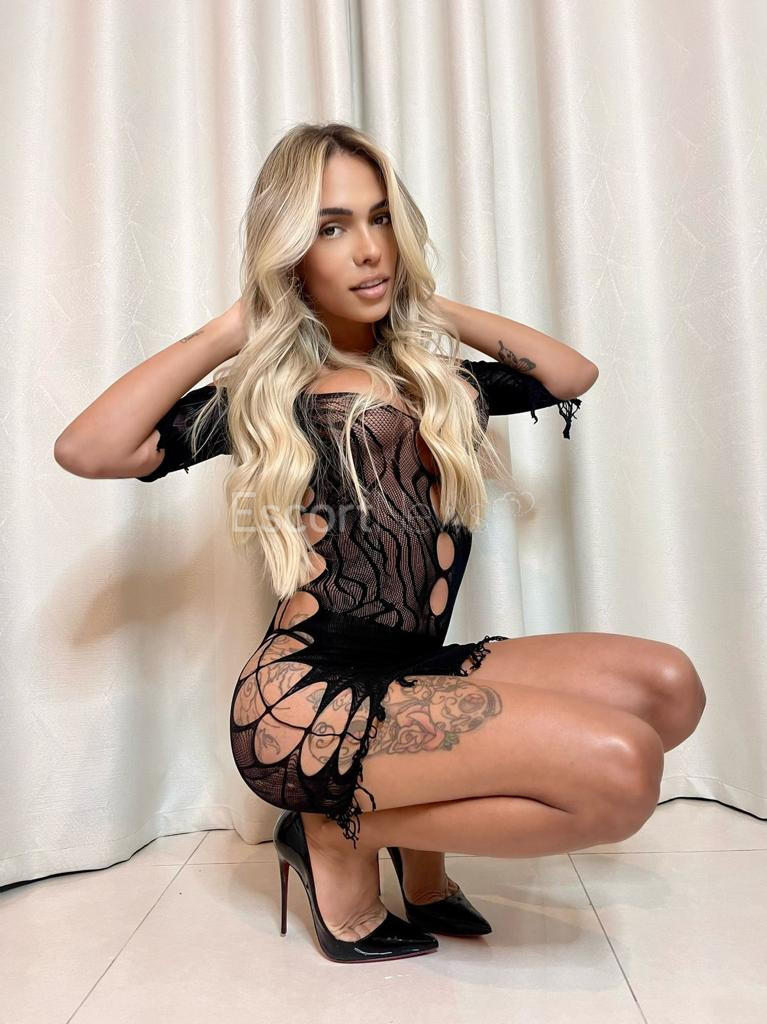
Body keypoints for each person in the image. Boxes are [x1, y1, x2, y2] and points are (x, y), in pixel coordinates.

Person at [54, 122, 706, 964]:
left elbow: (568, 374)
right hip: (307, 703)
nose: (367, 249)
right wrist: (231, 329)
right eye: (330, 227)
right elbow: (89, 449)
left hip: (412, 671)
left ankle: (384, 832)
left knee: (667, 689)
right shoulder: (271, 397)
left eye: (380, 218)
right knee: (621, 772)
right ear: (291, 252)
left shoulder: (440, 381)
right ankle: (336, 834)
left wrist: (425, 307)